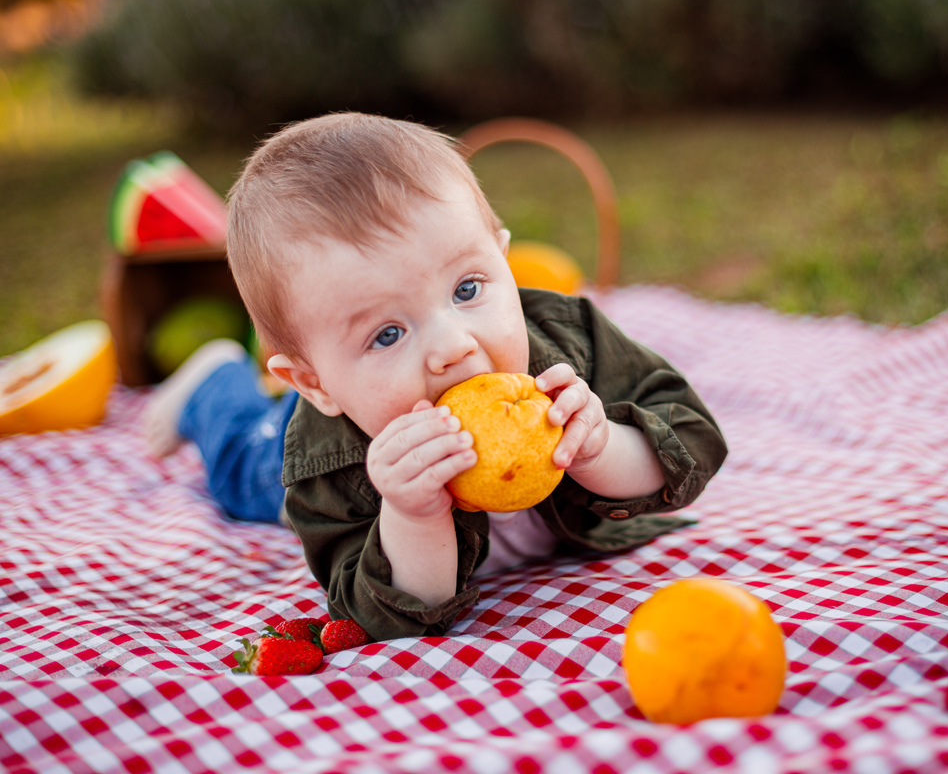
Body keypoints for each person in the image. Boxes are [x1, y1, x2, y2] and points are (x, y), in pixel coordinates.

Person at [145, 112, 728, 641]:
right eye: (387, 334)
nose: (452, 346)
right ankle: (214, 382)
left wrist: (600, 449)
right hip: (298, 446)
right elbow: (377, 614)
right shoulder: (328, 467)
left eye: (468, 289)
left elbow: (694, 439)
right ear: (316, 382)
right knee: (241, 466)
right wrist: (412, 514)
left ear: (504, 261)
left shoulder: (567, 342)